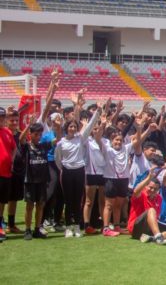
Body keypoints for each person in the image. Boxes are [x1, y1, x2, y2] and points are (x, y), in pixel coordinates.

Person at [54, 102, 101, 238]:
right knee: (68, 200)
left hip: (80, 171)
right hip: (67, 172)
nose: (73, 128)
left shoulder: (80, 138)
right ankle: (68, 227)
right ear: (66, 128)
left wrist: (98, 111)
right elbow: (58, 159)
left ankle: (76, 226)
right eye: (70, 126)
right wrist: (64, 168)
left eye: (75, 126)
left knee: (78, 200)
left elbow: (91, 125)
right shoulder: (61, 142)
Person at [18, 122, 59, 240]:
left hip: (42, 181)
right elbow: (21, 139)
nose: (38, 137)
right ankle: (27, 230)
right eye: (36, 134)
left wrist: (58, 127)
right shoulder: (26, 146)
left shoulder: (43, 145)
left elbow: (57, 140)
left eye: (40, 134)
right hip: (30, 181)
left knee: (40, 205)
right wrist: (28, 125)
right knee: (29, 206)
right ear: (30, 134)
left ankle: (37, 229)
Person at [128, 171, 166, 245]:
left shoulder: (159, 198)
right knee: (151, 210)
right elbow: (136, 190)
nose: (152, 190)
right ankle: (158, 237)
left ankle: (152, 238)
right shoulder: (141, 195)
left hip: (148, 230)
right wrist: (148, 178)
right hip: (136, 228)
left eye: (155, 189)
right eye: (150, 187)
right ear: (146, 186)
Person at [0, 108, 17, 242]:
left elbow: (14, 148)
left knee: (2, 201)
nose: (1, 119)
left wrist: (11, 160)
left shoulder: (7, 132)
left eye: (2, 117)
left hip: (6, 172)